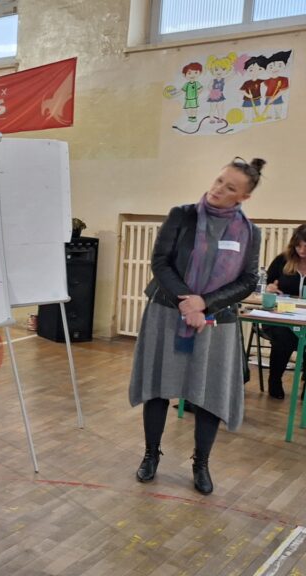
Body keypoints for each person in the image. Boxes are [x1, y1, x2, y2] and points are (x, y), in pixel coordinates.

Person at [129, 157, 265, 496]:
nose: (218, 190)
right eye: (219, 181)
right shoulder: (182, 215)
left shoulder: (251, 232)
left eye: (230, 188)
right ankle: (151, 454)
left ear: (244, 197)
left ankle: (201, 463)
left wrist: (204, 303)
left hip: (216, 320)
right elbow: (160, 262)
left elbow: (248, 280)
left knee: (209, 392)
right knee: (158, 385)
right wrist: (186, 302)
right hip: (166, 311)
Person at [262, 224, 306, 399]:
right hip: (280, 316)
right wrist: (270, 289)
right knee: (283, 336)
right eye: (298, 246)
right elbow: (267, 286)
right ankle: (275, 380)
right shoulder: (282, 260)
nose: (302, 251)